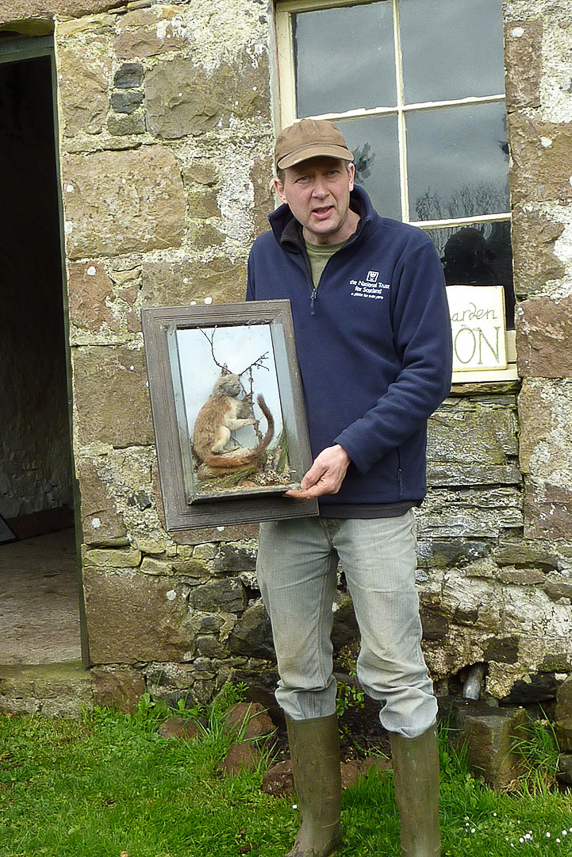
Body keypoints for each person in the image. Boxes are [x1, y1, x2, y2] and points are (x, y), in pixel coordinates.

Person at [246, 118, 452, 857]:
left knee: (396, 670)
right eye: (303, 176)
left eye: (331, 172)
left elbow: (428, 373)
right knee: (300, 670)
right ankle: (317, 827)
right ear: (280, 186)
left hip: (377, 498)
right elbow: (254, 367)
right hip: (287, 505)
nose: (320, 189)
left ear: (351, 174)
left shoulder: (406, 253)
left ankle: (420, 844)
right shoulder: (262, 260)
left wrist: (350, 449)